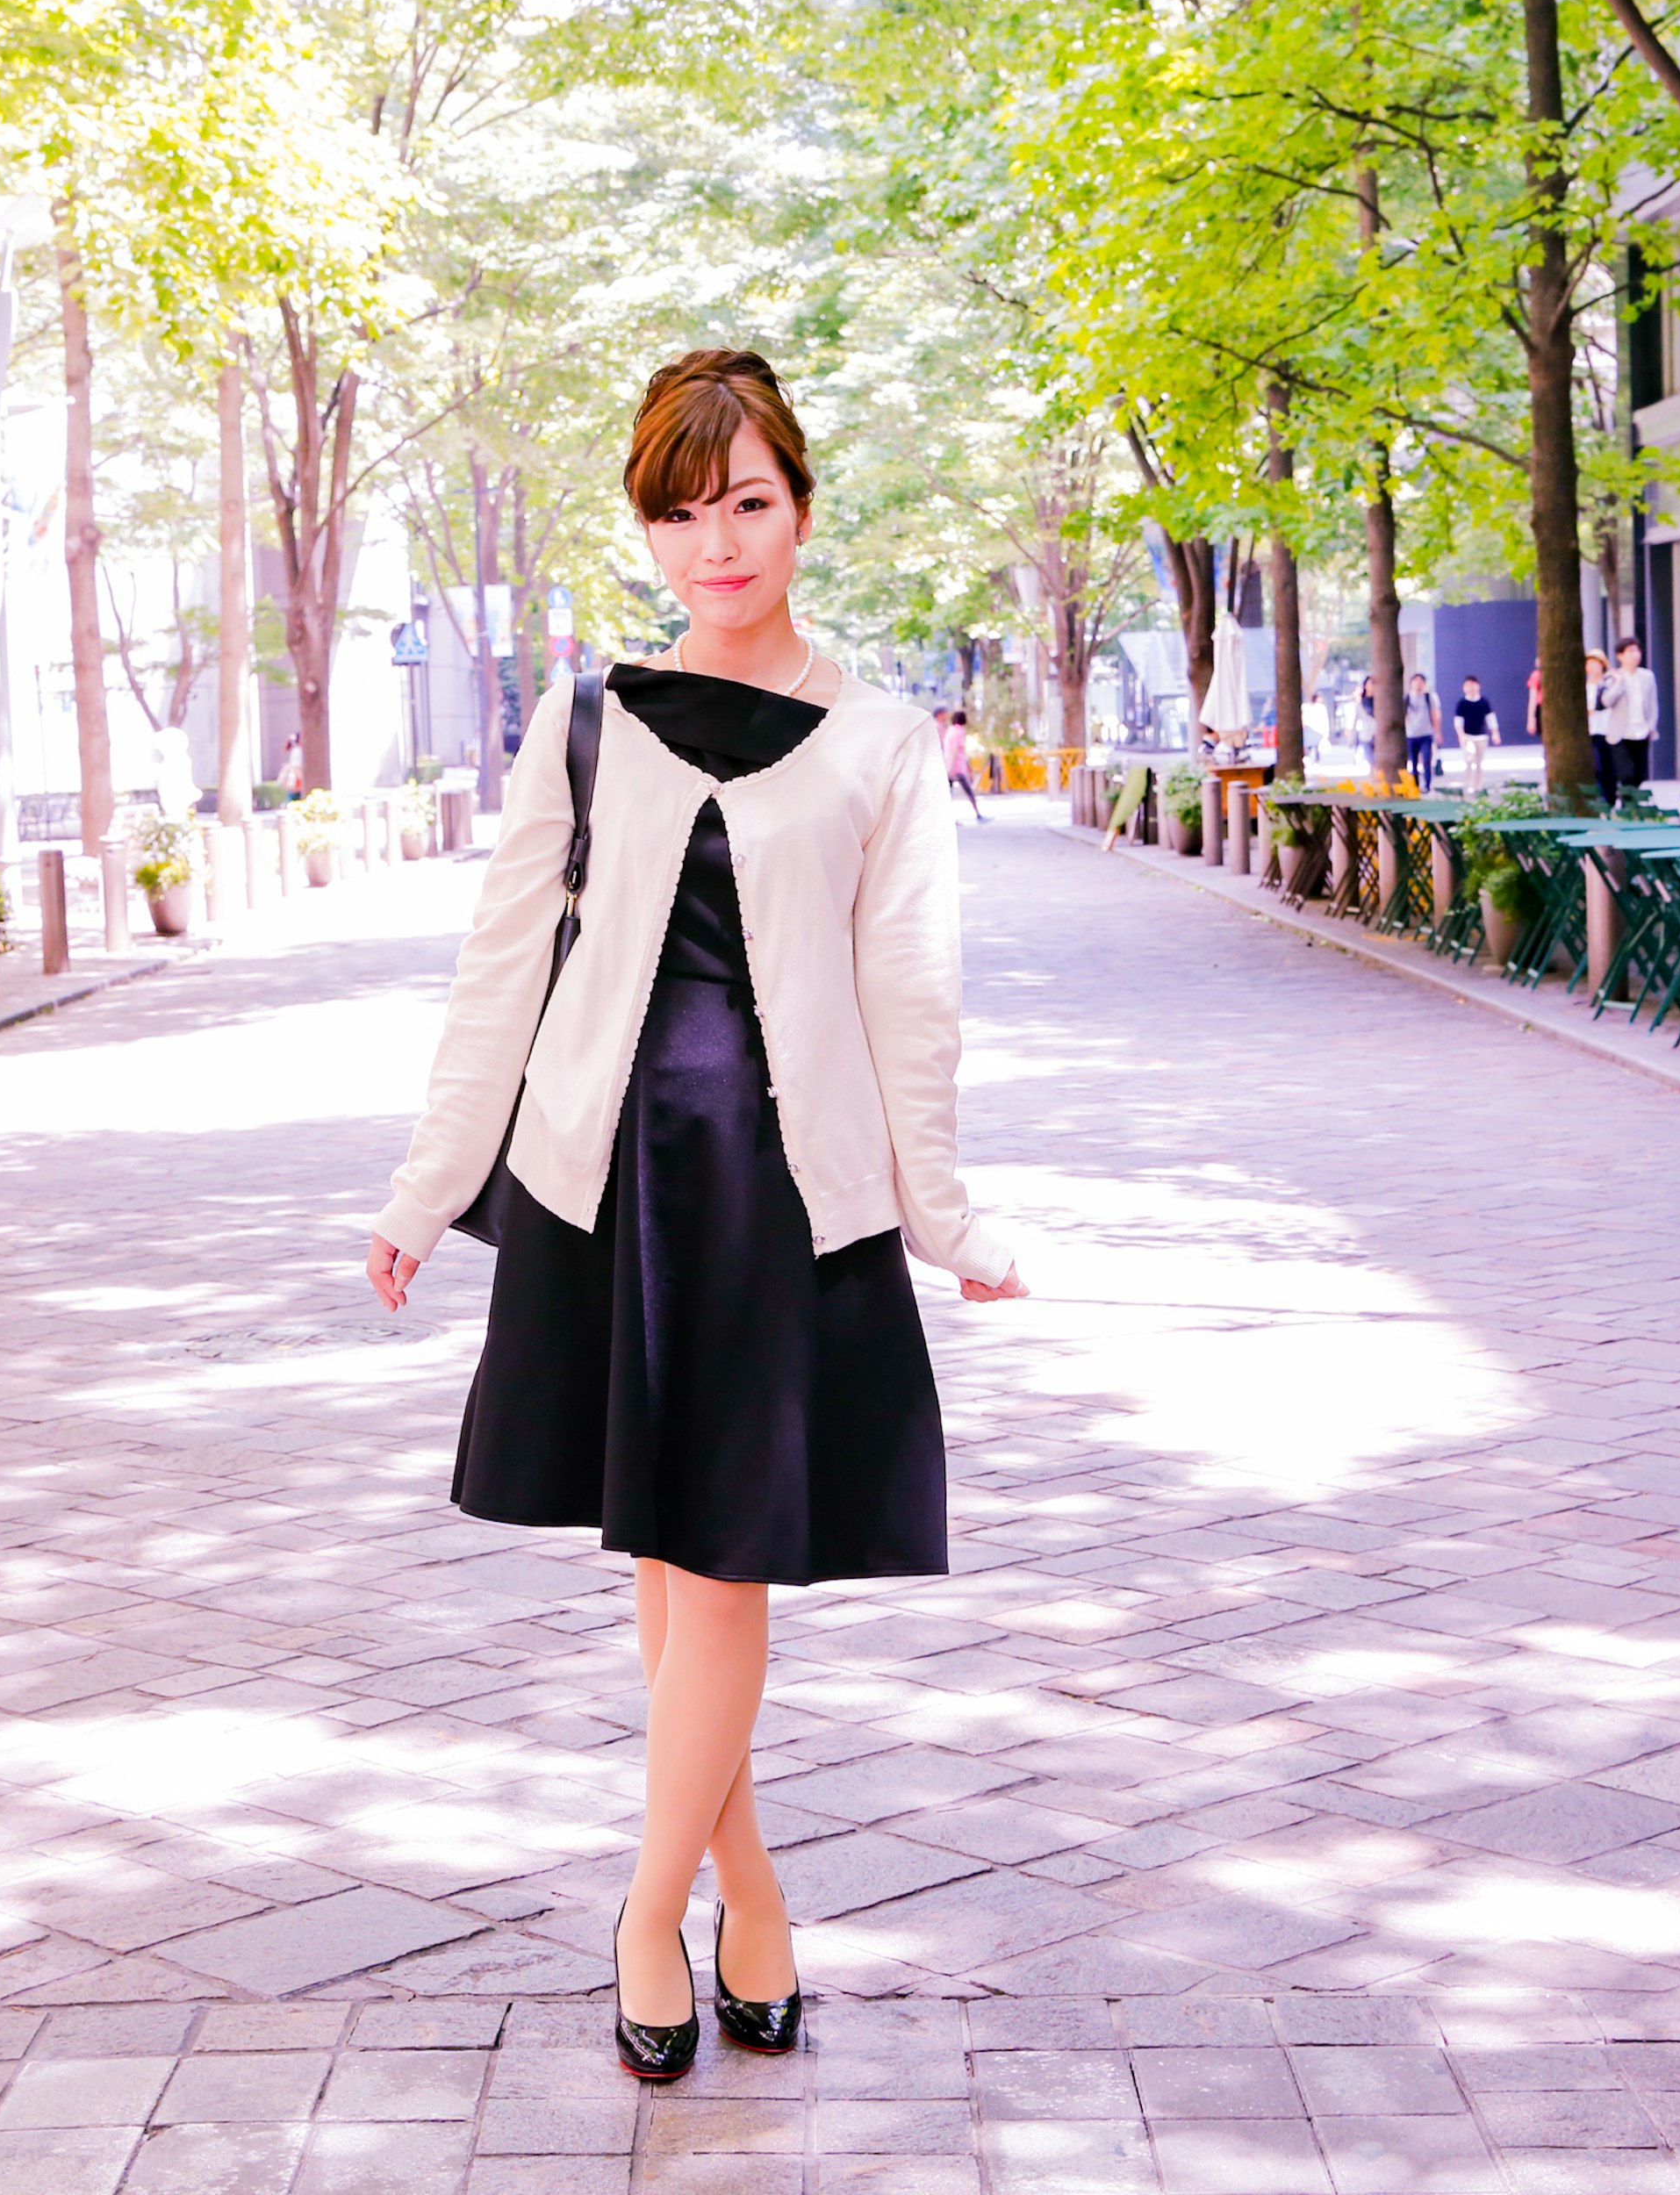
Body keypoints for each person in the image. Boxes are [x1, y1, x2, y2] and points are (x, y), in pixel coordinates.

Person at [365, 349, 1024, 2084]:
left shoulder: (885, 742)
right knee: (671, 1563)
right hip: (602, 1179)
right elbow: (504, 967)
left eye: (746, 501)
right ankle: (751, 1886)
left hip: (772, 1193)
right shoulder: (584, 720)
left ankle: (649, 1911)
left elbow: (914, 995)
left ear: (802, 504)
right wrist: (429, 1189)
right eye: (681, 508)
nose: (717, 541)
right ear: (648, 525)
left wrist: (945, 1216)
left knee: (721, 1556)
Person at [1610, 638, 1659, 802]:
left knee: (1640, 773)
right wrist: (1619, 683)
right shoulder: (1613, 676)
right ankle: (1627, 805)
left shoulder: (1647, 676)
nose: (1635, 655)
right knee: (1626, 773)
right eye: (1630, 651)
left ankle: (1629, 803)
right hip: (1621, 733)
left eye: (1637, 650)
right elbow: (1606, 700)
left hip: (1641, 731)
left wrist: (1651, 726)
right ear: (1620, 656)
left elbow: (1653, 704)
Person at [1583, 650, 1626, 802]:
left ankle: (1610, 798)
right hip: (1592, 730)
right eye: (1589, 664)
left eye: (1595, 663)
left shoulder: (1608, 684)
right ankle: (1601, 797)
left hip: (1608, 729)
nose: (1592, 667)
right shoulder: (1585, 686)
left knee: (1610, 766)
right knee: (1597, 765)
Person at [1452, 673, 1497, 796]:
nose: (1471, 688)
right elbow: (1458, 721)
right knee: (1469, 759)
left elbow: (1490, 718)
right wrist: (1461, 735)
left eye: (1473, 685)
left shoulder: (1484, 701)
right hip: (1467, 737)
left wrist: (1495, 733)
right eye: (1468, 685)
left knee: (1479, 762)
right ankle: (1469, 784)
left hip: (1481, 736)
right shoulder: (1462, 703)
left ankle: (1478, 785)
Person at [940, 707, 985, 821]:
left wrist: (948, 766)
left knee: (947, 795)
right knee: (969, 791)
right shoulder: (959, 731)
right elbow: (955, 750)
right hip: (957, 767)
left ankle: (948, 820)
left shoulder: (950, 730)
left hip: (948, 765)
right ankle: (978, 814)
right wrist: (952, 767)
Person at [1402, 672, 1437, 790]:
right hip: (1411, 735)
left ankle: (1427, 785)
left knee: (1427, 761)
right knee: (1414, 763)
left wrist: (1437, 731)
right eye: (1415, 681)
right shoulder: (1406, 698)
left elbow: (1435, 714)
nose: (1418, 684)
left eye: (1421, 681)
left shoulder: (1429, 697)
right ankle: (1415, 785)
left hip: (1426, 734)